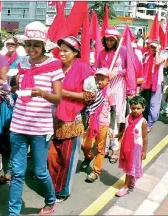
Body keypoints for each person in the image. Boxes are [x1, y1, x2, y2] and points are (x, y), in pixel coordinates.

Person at [8, 21, 63, 215]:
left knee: (40, 171)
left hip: (40, 127)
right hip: (19, 124)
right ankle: (13, 212)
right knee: (16, 173)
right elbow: (17, 88)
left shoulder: (54, 65)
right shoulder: (21, 63)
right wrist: (10, 87)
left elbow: (57, 97)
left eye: (36, 45)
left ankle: (50, 199)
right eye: (28, 44)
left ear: (43, 46)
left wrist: (41, 93)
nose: (32, 49)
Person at [47, 36, 95, 201]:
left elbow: (90, 96)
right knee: (51, 156)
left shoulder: (84, 69)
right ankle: (52, 186)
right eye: (60, 50)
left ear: (75, 53)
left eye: (66, 51)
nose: (61, 53)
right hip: (51, 119)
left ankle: (62, 191)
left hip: (72, 120)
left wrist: (65, 93)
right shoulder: (54, 67)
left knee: (67, 159)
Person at [95, 27, 127, 163]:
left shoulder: (123, 51)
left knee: (116, 115)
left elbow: (129, 69)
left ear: (116, 40)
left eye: (111, 40)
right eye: (107, 39)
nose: (109, 42)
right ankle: (105, 145)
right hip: (105, 86)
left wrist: (118, 72)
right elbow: (95, 68)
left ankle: (115, 147)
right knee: (104, 115)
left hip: (118, 86)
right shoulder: (101, 53)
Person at [81, 68, 116, 182]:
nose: (99, 82)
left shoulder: (109, 93)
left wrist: (111, 126)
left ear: (108, 81)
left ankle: (96, 171)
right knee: (85, 145)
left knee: (100, 149)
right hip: (90, 122)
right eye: (98, 79)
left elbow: (113, 110)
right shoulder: (92, 90)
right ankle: (88, 157)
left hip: (103, 124)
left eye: (102, 79)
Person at [0, 37, 22, 184]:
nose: (10, 46)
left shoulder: (20, 60)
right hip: (3, 98)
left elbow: (18, 83)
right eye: (8, 44)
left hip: (15, 98)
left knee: (13, 133)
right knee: (0, 131)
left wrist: (10, 89)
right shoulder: (2, 58)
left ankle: (12, 169)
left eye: (13, 44)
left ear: (17, 45)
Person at [115, 96, 148, 197]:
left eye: (138, 108)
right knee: (129, 165)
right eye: (133, 108)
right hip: (126, 145)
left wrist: (144, 151)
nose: (135, 110)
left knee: (130, 166)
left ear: (143, 108)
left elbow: (145, 137)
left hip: (136, 147)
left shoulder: (143, 122)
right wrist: (119, 135)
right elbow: (124, 130)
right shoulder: (127, 118)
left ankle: (125, 185)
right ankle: (131, 179)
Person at [140, 40, 167, 132]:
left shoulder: (163, 56)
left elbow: (157, 62)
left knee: (153, 104)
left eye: (154, 47)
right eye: (151, 46)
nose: (152, 49)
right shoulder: (147, 56)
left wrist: (157, 51)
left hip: (157, 83)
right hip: (147, 82)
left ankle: (150, 123)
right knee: (145, 102)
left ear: (159, 47)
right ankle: (143, 120)